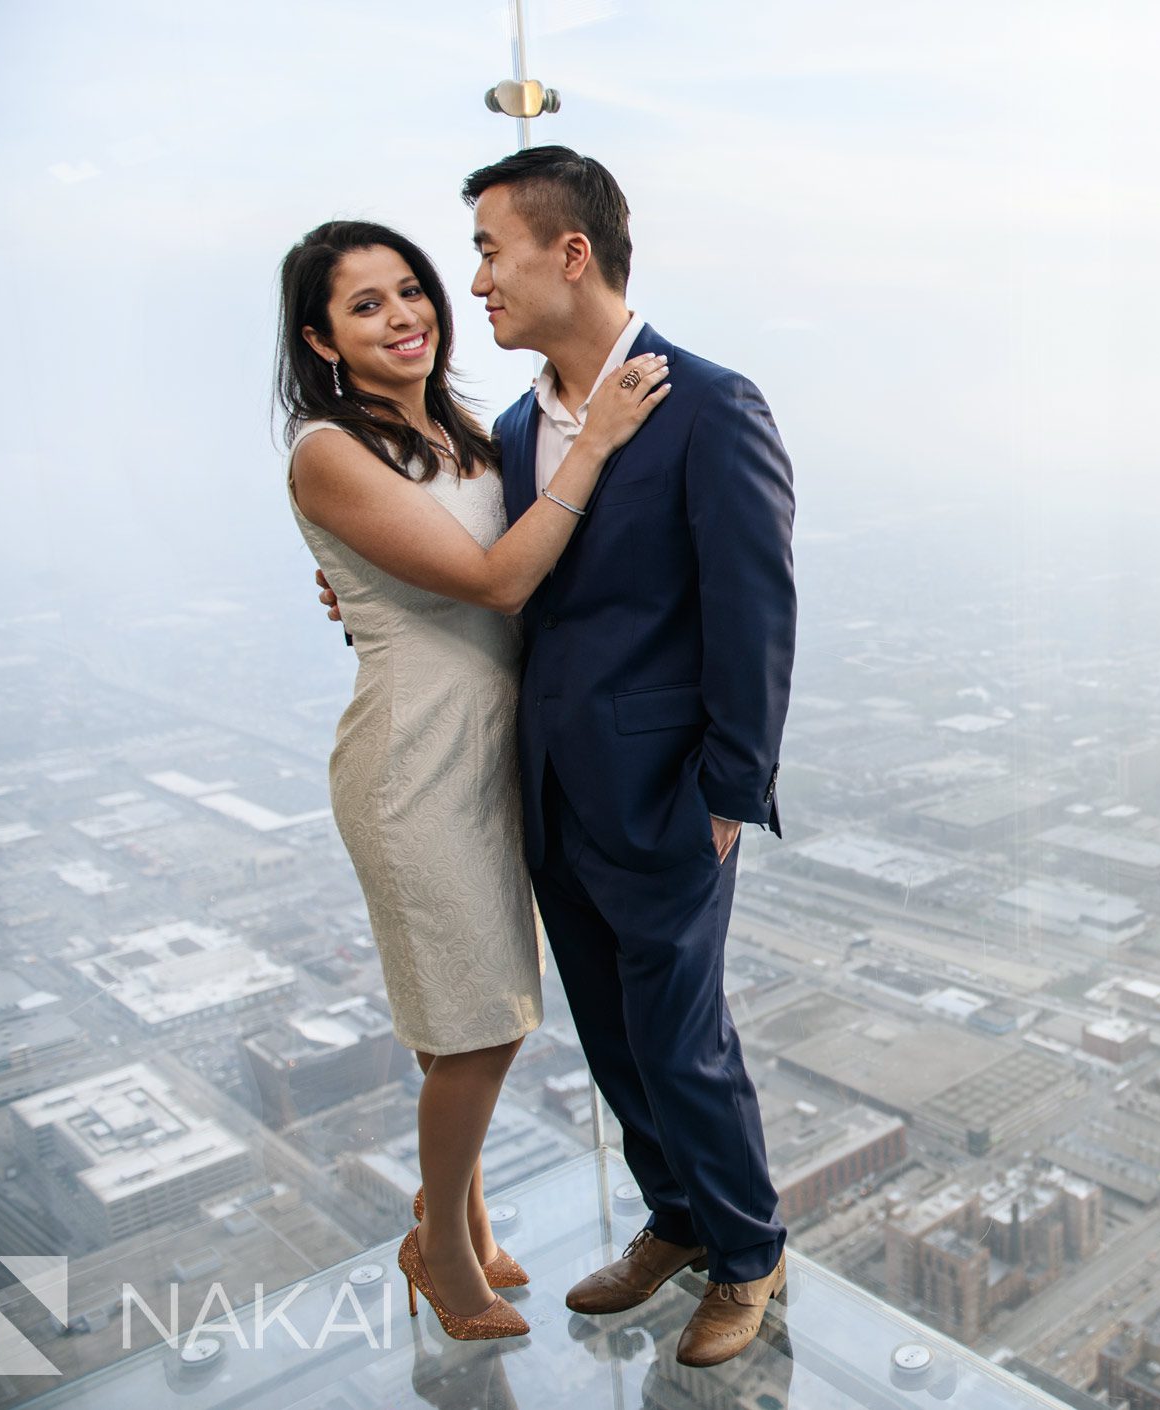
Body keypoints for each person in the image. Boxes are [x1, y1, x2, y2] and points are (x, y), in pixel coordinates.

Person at [315, 147, 798, 1368]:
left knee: (684, 1041)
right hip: (541, 789)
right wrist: (362, 594)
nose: (468, 282)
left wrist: (731, 791)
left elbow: (755, 608)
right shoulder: (517, 428)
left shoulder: (708, 402)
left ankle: (748, 1256)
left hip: (672, 793)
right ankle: (676, 1222)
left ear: (567, 253)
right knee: (615, 1039)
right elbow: (488, 576)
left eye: (486, 250)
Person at [278, 218, 670, 1342]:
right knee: (483, 1024)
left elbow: (499, 569)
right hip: (414, 765)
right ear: (320, 339)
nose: (404, 315)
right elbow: (499, 583)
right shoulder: (326, 448)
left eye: (411, 290)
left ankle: (468, 1220)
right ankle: (440, 1249)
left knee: (456, 1017)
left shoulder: (461, 430)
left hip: (490, 754)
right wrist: (592, 443)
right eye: (365, 306)